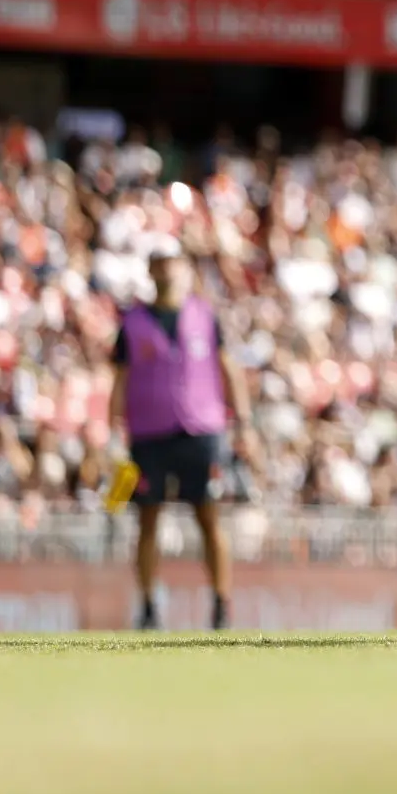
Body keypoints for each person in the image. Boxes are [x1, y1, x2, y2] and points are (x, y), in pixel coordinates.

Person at [110, 248, 255, 630]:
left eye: (174, 261)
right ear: (150, 269)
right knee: (148, 519)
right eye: (160, 262)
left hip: (201, 429)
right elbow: (120, 380)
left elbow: (229, 369)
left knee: (208, 516)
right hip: (148, 432)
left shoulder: (204, 316)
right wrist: (112, 432)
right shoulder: (133, 323)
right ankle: (147, 605)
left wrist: (244, 424)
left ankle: (222, 604)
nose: (168, 269)